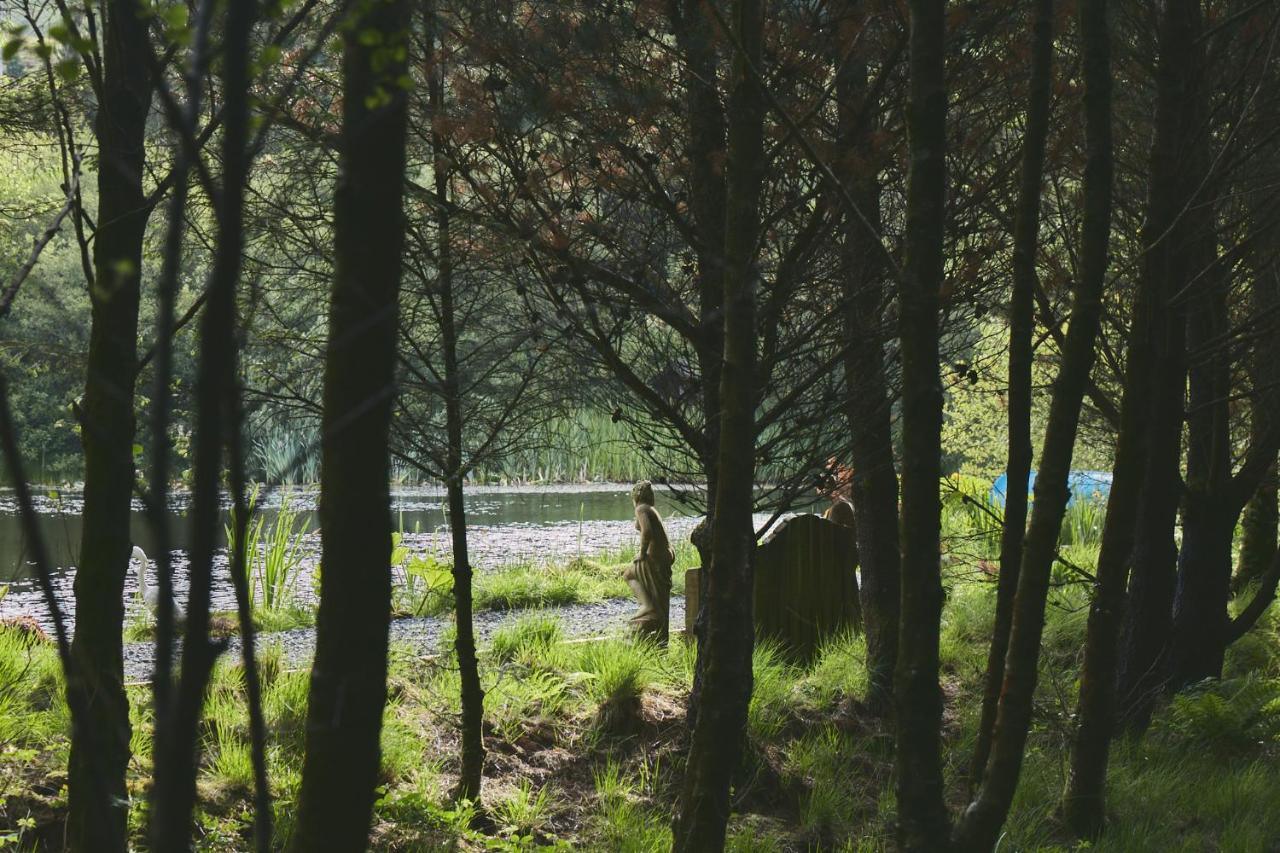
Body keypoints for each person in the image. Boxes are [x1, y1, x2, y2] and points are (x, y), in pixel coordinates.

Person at [623, 480, 675, 640]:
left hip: (655, 556)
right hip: (664, 554)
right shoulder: (649, 508)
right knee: (658, 595)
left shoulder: (641, 508)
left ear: (636, 496)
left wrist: (642, 554)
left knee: (628, 575)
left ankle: (647, 607)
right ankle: (654, 617)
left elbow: (646, 532)